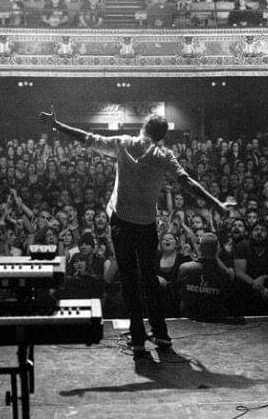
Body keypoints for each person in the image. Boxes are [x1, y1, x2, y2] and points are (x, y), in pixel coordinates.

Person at [39, 106, 232, 351]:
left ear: (143, 127)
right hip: (147, 225)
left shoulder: (123, 143)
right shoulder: (164, 155)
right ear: (161, 136)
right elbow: (187, 182)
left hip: (122, 223)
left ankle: (138, 337)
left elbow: (86, 138)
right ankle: (161, 334)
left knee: (129, 281)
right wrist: (216, 203)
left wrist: (57, 124)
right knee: (149, 279)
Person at [178, 232, 236, 322]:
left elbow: (180, 290)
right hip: (214, 317)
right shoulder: (224, 274)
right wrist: (215, 255)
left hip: (189, 316)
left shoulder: (184, 268)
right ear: (218, 249)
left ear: (199, 248)